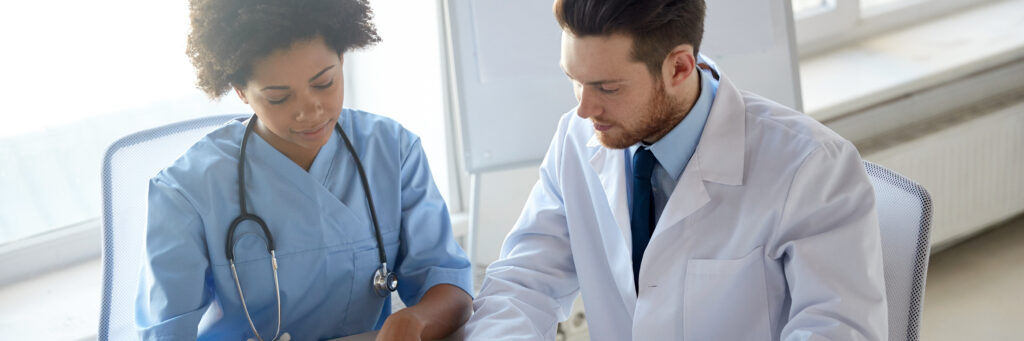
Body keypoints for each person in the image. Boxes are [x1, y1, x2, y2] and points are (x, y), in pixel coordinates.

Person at [464, 0, 888, 340]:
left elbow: (838, 330)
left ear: (680, 67)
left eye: (607, 88)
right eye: (575, 80)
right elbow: (522, 284)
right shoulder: (575, 139)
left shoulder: (811, 167)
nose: (584, 108)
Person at [135, 0, 472, 340]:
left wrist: (412, 322)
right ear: (241, 92)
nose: (309, 111)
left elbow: (448, 283)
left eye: (324, 83)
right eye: (279, 98)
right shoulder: (185, 192)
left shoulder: (393, 151)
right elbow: (165, 333)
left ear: (342, 58)